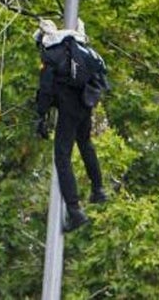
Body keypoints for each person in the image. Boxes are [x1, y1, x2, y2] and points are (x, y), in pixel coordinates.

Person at [35, 19, 106, 232]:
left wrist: (41, 115)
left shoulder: (51, 55)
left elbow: (46, 89)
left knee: (62, 156)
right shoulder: (79, 49)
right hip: (85, 103)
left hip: (69, 107)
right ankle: (98, 188)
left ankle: (75, 211)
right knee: (85, 144)